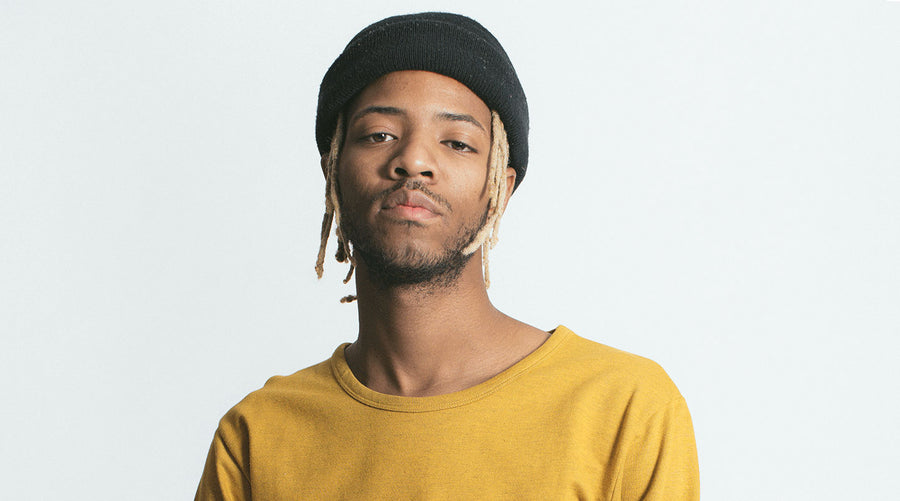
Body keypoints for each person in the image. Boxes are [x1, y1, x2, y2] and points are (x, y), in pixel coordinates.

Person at [195, 12, 699, 500]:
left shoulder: (623, 410)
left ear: (500, 187)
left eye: (457, 143)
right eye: (379, 135)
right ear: (333, 168)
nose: (413, 159)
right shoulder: (258, 436)